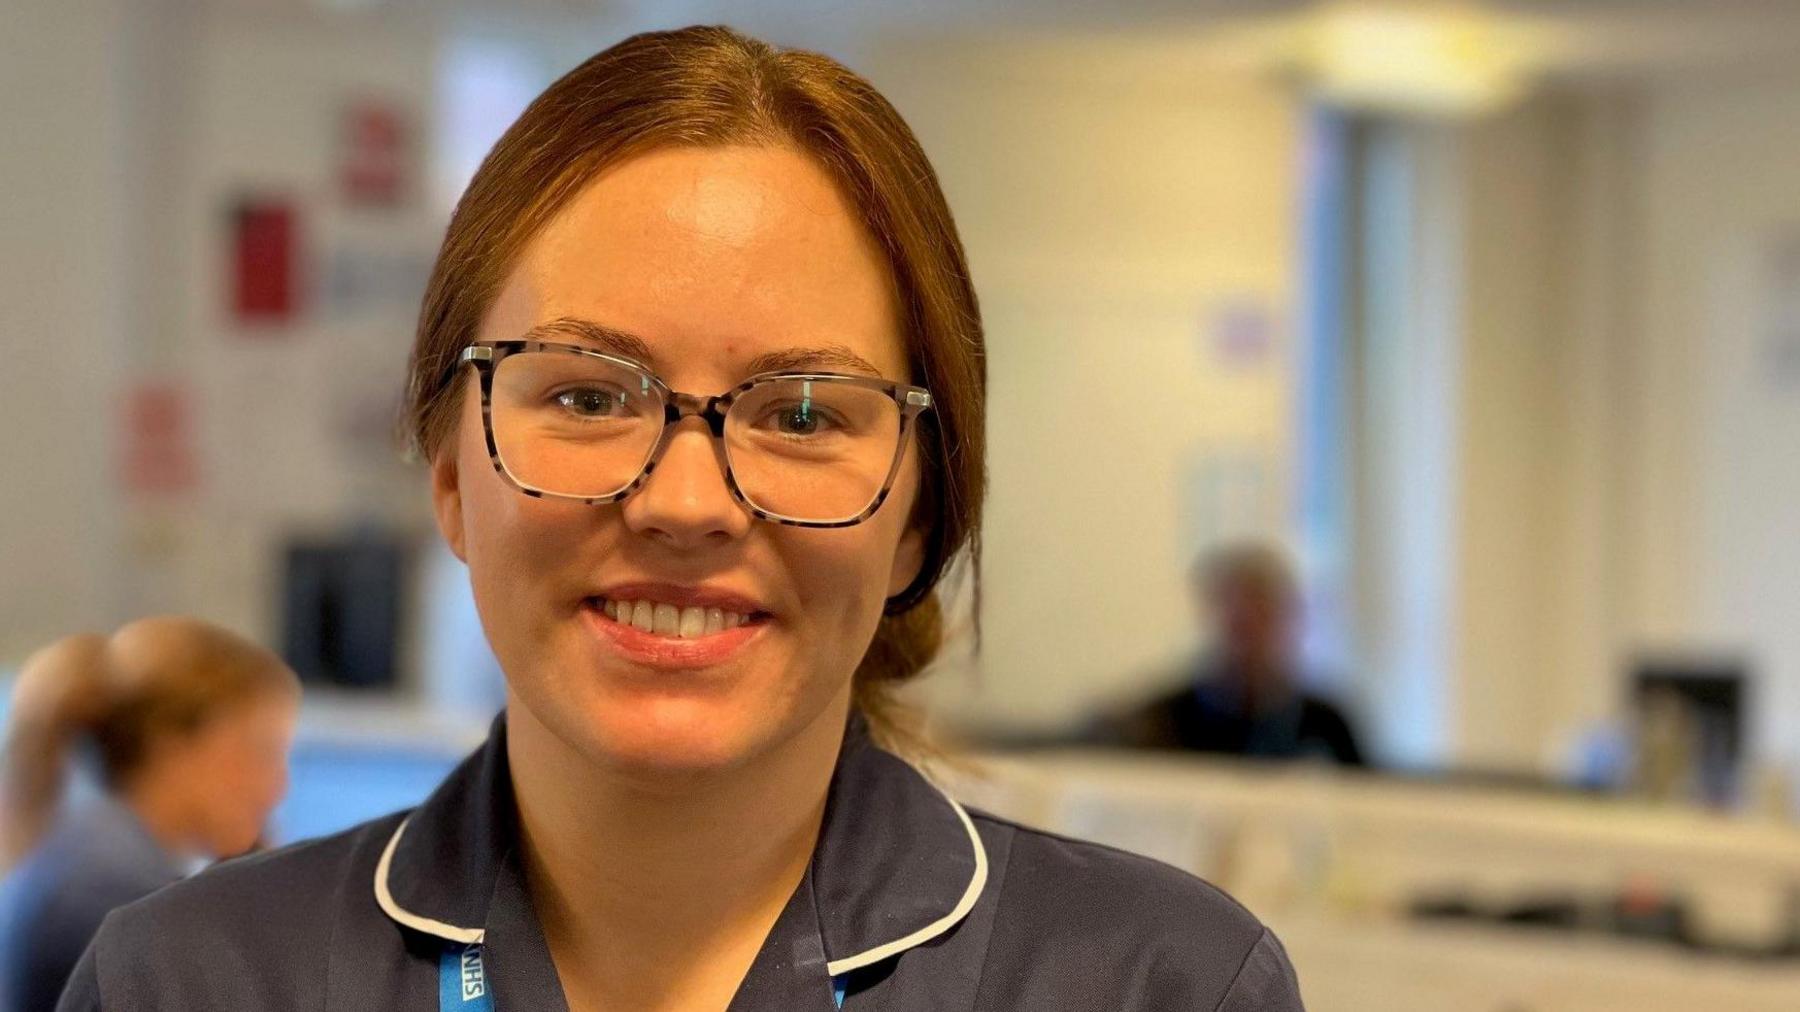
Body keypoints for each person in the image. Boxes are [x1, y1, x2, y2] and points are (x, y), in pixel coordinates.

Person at [59, 27, 1304, 1011]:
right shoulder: (188, 981)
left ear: (919, 516)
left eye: (802, 412)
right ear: (449, 476)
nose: (685, 502)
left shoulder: (1159, 984)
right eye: (589, 395)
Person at [0, 617, 298, 1012]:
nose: (278, 786)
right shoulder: (117, 894)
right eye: (260, 752)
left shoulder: (96, 851)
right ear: (171, 746)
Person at [1109, 543, 1364, 765]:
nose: (1247, 633)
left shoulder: (1325, 725)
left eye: (1260, 613)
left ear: (1285, 618)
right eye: (1237, 623)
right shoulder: (1160, 723)